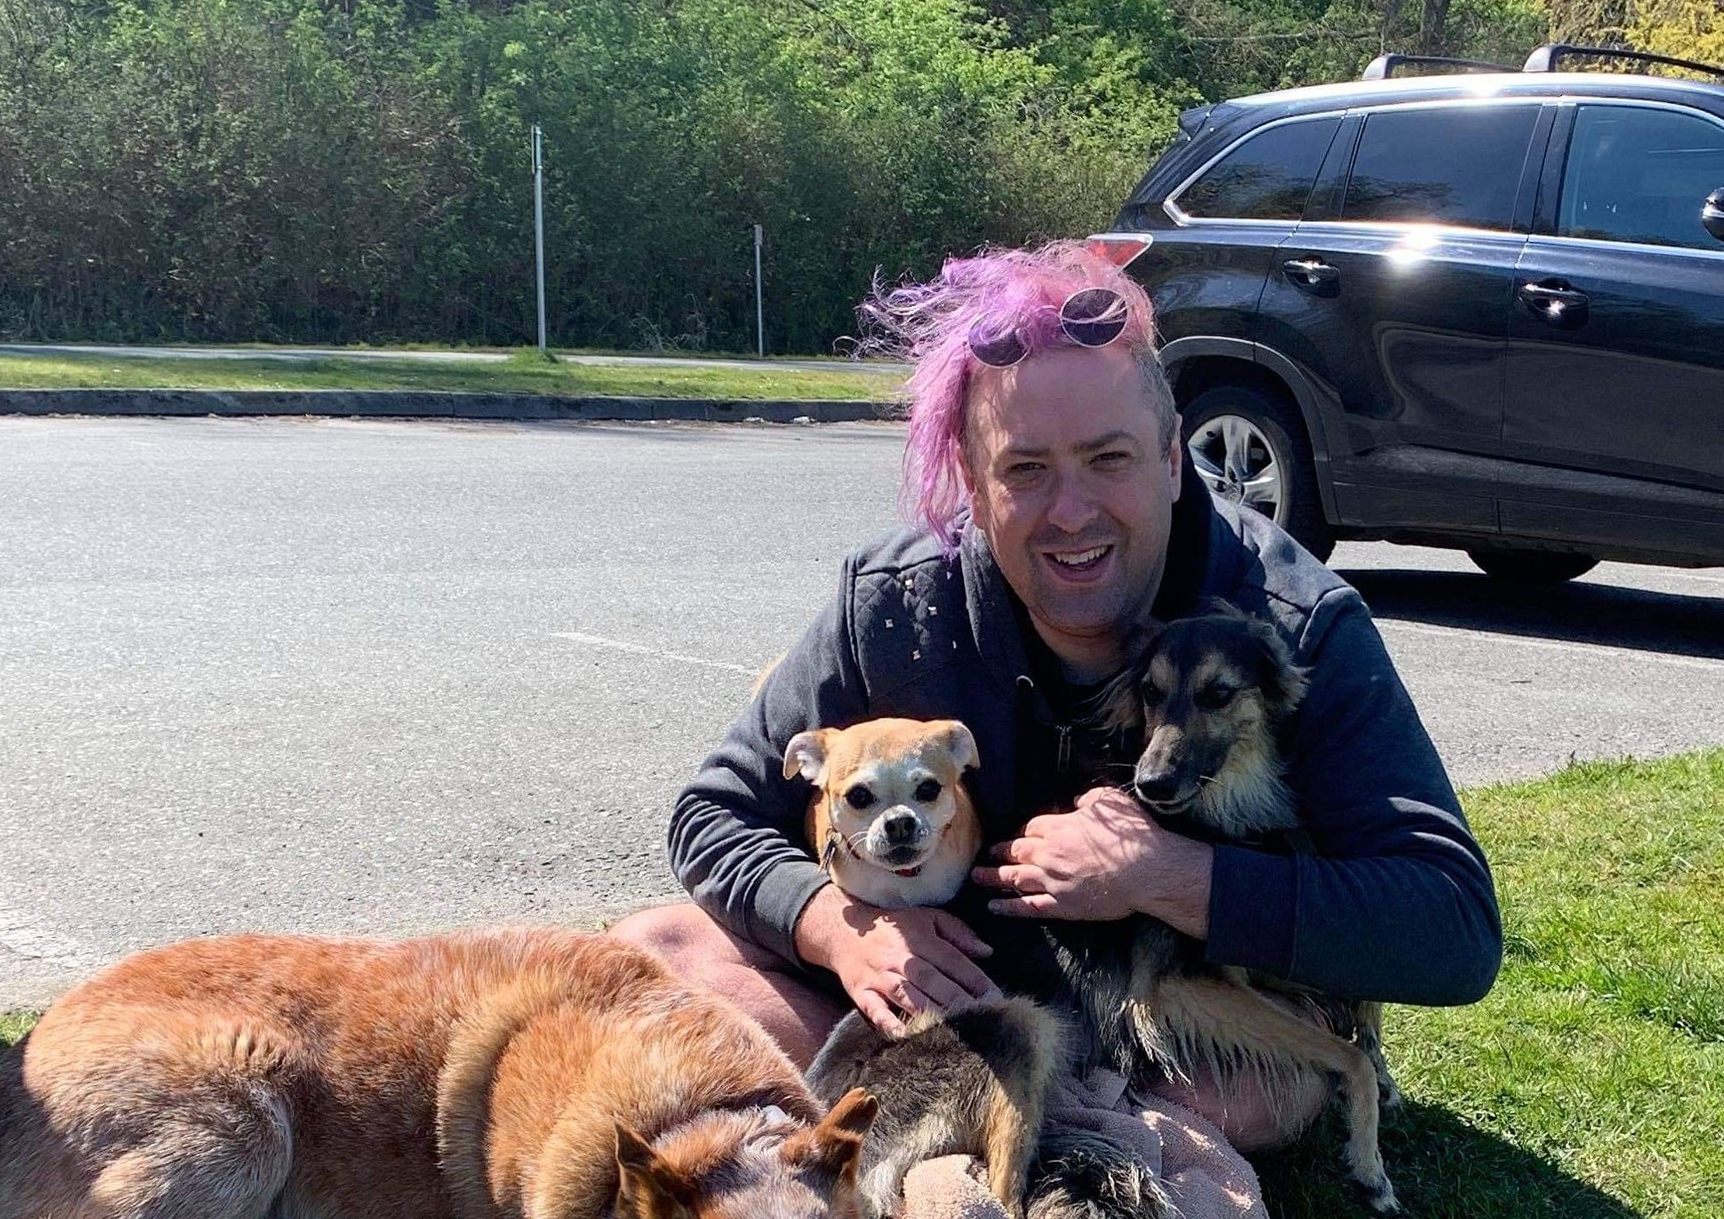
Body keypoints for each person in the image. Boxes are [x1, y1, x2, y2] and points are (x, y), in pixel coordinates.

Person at [613, 241, 1501, 1150]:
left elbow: (1449, 925)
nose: (1070, 512)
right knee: (654, 952)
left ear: (1171, 460)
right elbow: (712, 814)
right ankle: (1027, 1139)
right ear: (972, 480)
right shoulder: (888, 603)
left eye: (1107, 459)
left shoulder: (1291, 623)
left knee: (1260, 1101)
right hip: (924, 997)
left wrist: (1165, 878)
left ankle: (1010, 1144)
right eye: (1025, 469)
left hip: (1160, 1026)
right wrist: (838, 929)